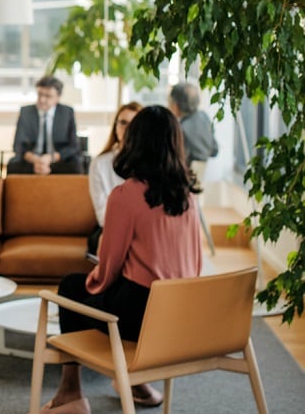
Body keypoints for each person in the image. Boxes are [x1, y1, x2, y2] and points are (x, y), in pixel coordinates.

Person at [43, 106, 202, 413]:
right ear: (175, 143)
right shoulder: (188, 196)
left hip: (137, 317)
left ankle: (70, 394)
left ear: (136, 142)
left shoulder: (125, 195)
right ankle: (134, 382)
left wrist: (93, 284)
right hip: (178, 315)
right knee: (90, 291)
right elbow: (194, 263)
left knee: (71, 288)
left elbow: (108, 268)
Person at [86, 102, 143, 256]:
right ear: (115, 127)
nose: (127, 129)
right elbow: (102, 212)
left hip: (143, 228)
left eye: (134, 124)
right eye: (123, 123)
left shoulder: (151, 163)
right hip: (110, 226)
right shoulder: (99, 164)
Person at [7, 76, 83, 175]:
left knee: (75, 166)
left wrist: (51, 158)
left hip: (57, 159)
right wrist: (36, 160)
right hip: (32, 160)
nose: (42, 100)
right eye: (40, 94)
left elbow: (74, 146)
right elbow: (17, 145)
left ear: (58, 97)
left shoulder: (67, 112)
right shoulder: (26, 112)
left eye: (48, 96)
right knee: (13, 166)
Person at [168, 82, 219, 166]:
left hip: (185, 174)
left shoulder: (180, 128)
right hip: (200, 173)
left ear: (176, 105)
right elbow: (215, 150)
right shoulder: (204, 117)